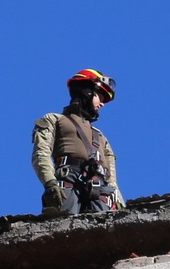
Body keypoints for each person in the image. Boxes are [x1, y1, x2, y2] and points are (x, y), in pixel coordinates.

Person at [33, 69, 124, 217]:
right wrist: (50, 183)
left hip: (101, 193)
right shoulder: (54, 120)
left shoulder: (100, 137)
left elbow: (112, 181)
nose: (102, 104)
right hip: (68, 184)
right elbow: (41, 154)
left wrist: (121, 208)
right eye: (100, 96)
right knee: (63, 228)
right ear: (87, 92)